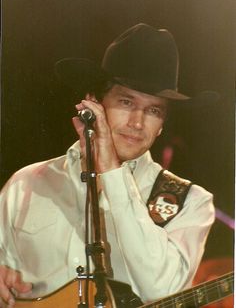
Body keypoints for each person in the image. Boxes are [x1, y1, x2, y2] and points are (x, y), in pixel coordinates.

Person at [0, 23, 215, 307]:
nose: (137, 123)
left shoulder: (191, 203)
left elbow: (161, 292)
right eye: (126, 102)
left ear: (162, 125)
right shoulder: (27, 184)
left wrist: (113, 174)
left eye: (153, 110)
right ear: (93, 102)